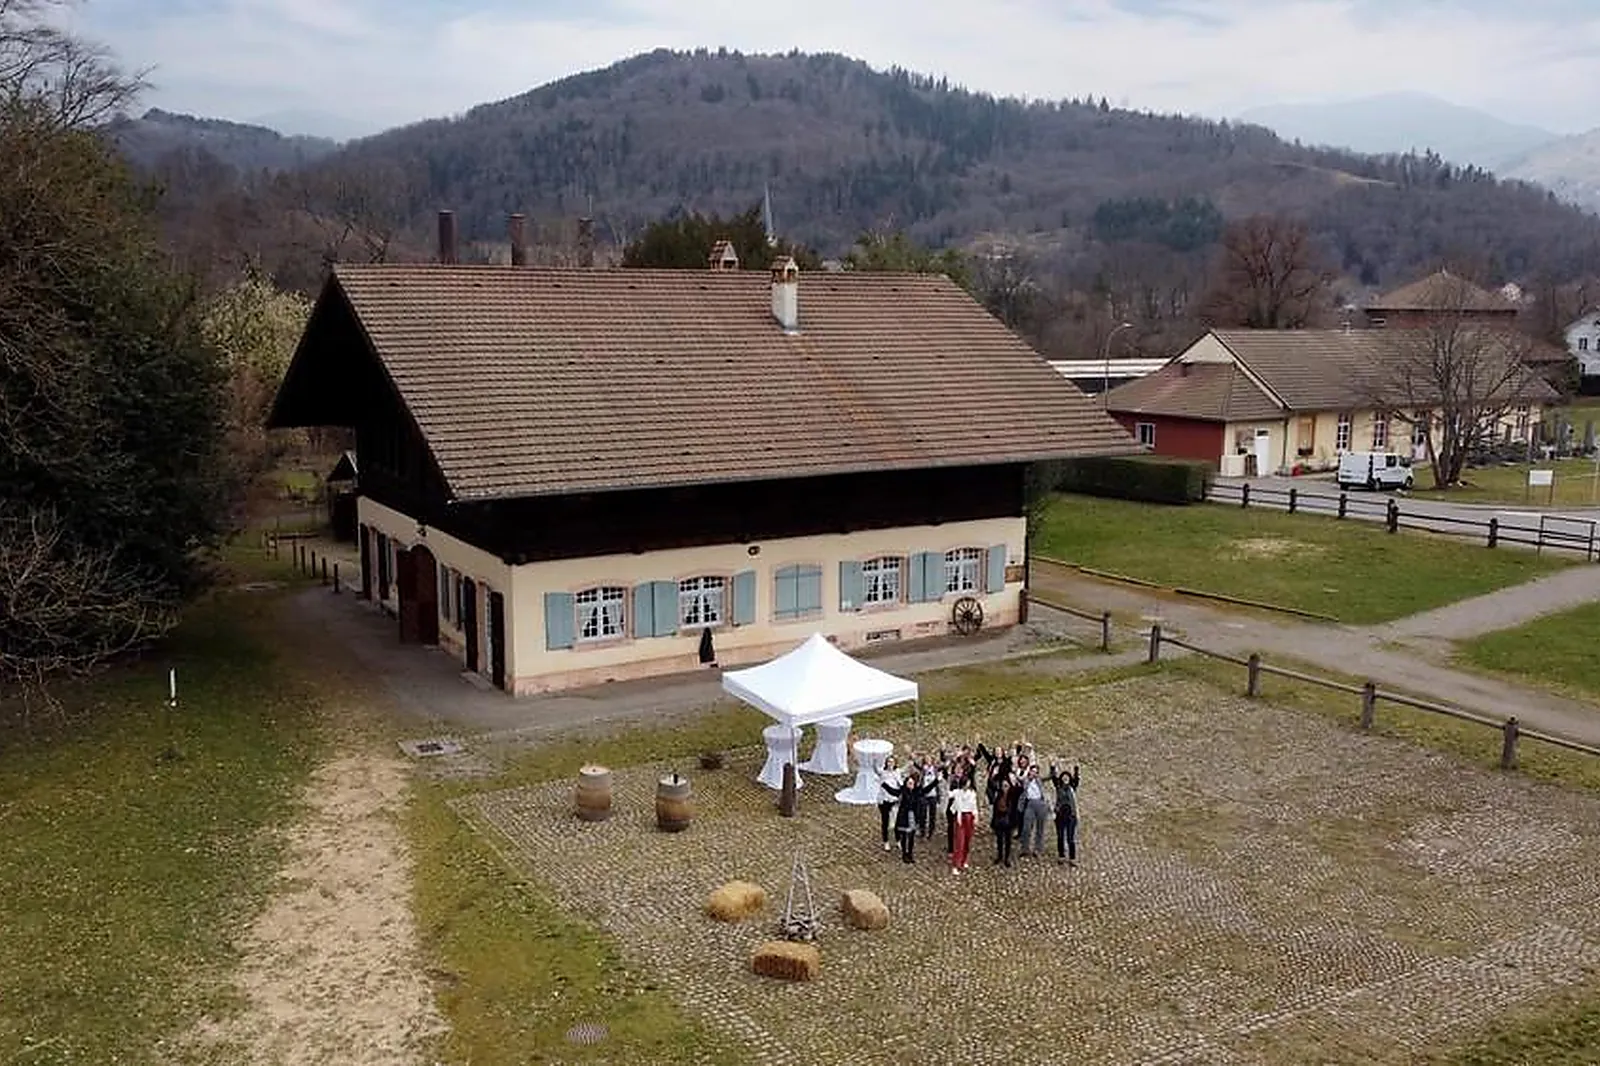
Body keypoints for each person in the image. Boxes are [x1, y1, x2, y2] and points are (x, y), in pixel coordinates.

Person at [881, 770, 938, 864]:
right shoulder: (903, 791)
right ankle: (904, 853)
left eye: (912, 783)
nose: (910, 785)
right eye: (909, 783)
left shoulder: (917, 791)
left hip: (913, 816)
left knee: (911, 837)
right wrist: (883, 784)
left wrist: (936, 780)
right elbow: (893, 791)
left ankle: (910, 854)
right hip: (903, 817)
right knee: (904, 837)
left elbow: (927, 789)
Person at [1050, 760, 1081, 866]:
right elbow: (1054, 778)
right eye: (1063, 777)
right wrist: (1053, 767)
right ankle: (1061, 856)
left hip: (1071, 816)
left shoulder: (1072, 788)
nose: (1065, 779)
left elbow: (1076, 779)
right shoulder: (1058, 787)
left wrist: (1076, 768)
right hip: (1060, 815)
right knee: (1060, 837)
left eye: (1067, 778)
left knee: (1070, 838)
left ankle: (1072, 858)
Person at [1018, 763, 1050, 858]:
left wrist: (1052, 767)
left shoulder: (1039, 780)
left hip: (1040, 803)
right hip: (1030, 804)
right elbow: (1018, 777)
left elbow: (1050, 776)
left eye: (1036, 772)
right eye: (1032, 771)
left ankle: (1038, 849)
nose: (1034, 773)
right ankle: (1025, 849)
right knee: (1026, 828)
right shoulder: (1025, 780)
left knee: (1040, 828)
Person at [990, 769, 1020, 868]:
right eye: (1003, 786)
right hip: (999, 819)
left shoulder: (1013, 795)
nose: (1005, 788)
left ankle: (1007, 858)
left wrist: (1015, 778)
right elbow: (992, 784)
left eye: (1006, 786)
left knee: (1008, 840)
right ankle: (999, 856)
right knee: (999, 840)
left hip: (1009, 820)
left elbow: (1019, 789)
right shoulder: (998, 795)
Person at [948, 774, 978, 874]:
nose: (967, 785)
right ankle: (956, 865)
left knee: (967, 840)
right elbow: (948, 794)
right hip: (960, 817)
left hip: (969, 816)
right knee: (959, 841)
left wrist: (976, 817)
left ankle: (964, 860)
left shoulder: (972, 793)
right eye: (966, 783)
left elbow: (974, 806)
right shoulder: (957, 792)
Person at [876, 755, 901, 852]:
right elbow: (876, 769)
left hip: (894, 800)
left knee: (897, 822)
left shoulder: (897, 772)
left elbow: (901, 782)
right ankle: (886, 841)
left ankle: (898, 840)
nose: (890, 764)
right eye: (889, 762)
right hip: (884, 801)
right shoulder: (883, 773)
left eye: (892, 762)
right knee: (885, 822)